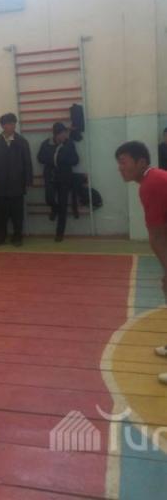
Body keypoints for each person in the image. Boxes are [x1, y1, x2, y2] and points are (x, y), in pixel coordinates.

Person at [115, 141, 167, 385]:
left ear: (141, 162)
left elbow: (157, 236)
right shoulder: (153, 179)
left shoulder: (151, 184)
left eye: (123, 162)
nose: (120, 167)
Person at [0, 113, 33, 247]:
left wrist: (28, 181)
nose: (12, 126)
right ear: (2, 126)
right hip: (1, 185)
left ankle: (17, 237)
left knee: (17, 213)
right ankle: (0, 237)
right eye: (8, 124)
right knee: (1, 214)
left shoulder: (22, 141)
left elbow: (27, 162)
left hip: (17, 183)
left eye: (13, 123)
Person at [37, 123, 79, 242]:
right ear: (56, 134)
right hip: (50, 177)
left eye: (66, 133)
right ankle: (54, 209)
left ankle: (59, 233)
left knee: (63, 205)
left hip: (64, 178)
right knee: (49, 199)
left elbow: (76, 160)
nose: (65, 136)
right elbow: (39, 158)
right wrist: (52, 159)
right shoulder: (46, 144)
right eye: (62, 134)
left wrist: (62, 159)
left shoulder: (69, 144)